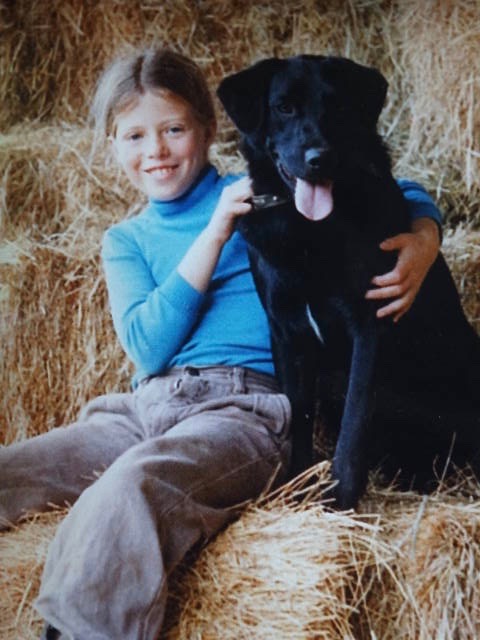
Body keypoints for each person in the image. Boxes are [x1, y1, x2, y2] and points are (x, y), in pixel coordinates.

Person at [0, 48, 442, 640]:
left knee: (131, 487)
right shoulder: (125, 240)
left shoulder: (269, 187)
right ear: (112, 146)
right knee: (11, 470)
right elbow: (147, 349)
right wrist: (214, 232)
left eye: (174, 130)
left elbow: (385, 183)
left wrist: (426, 236)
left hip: (240, 410)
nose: (156, 151)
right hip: (142, 408)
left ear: (210, 130)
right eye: (135, 136)